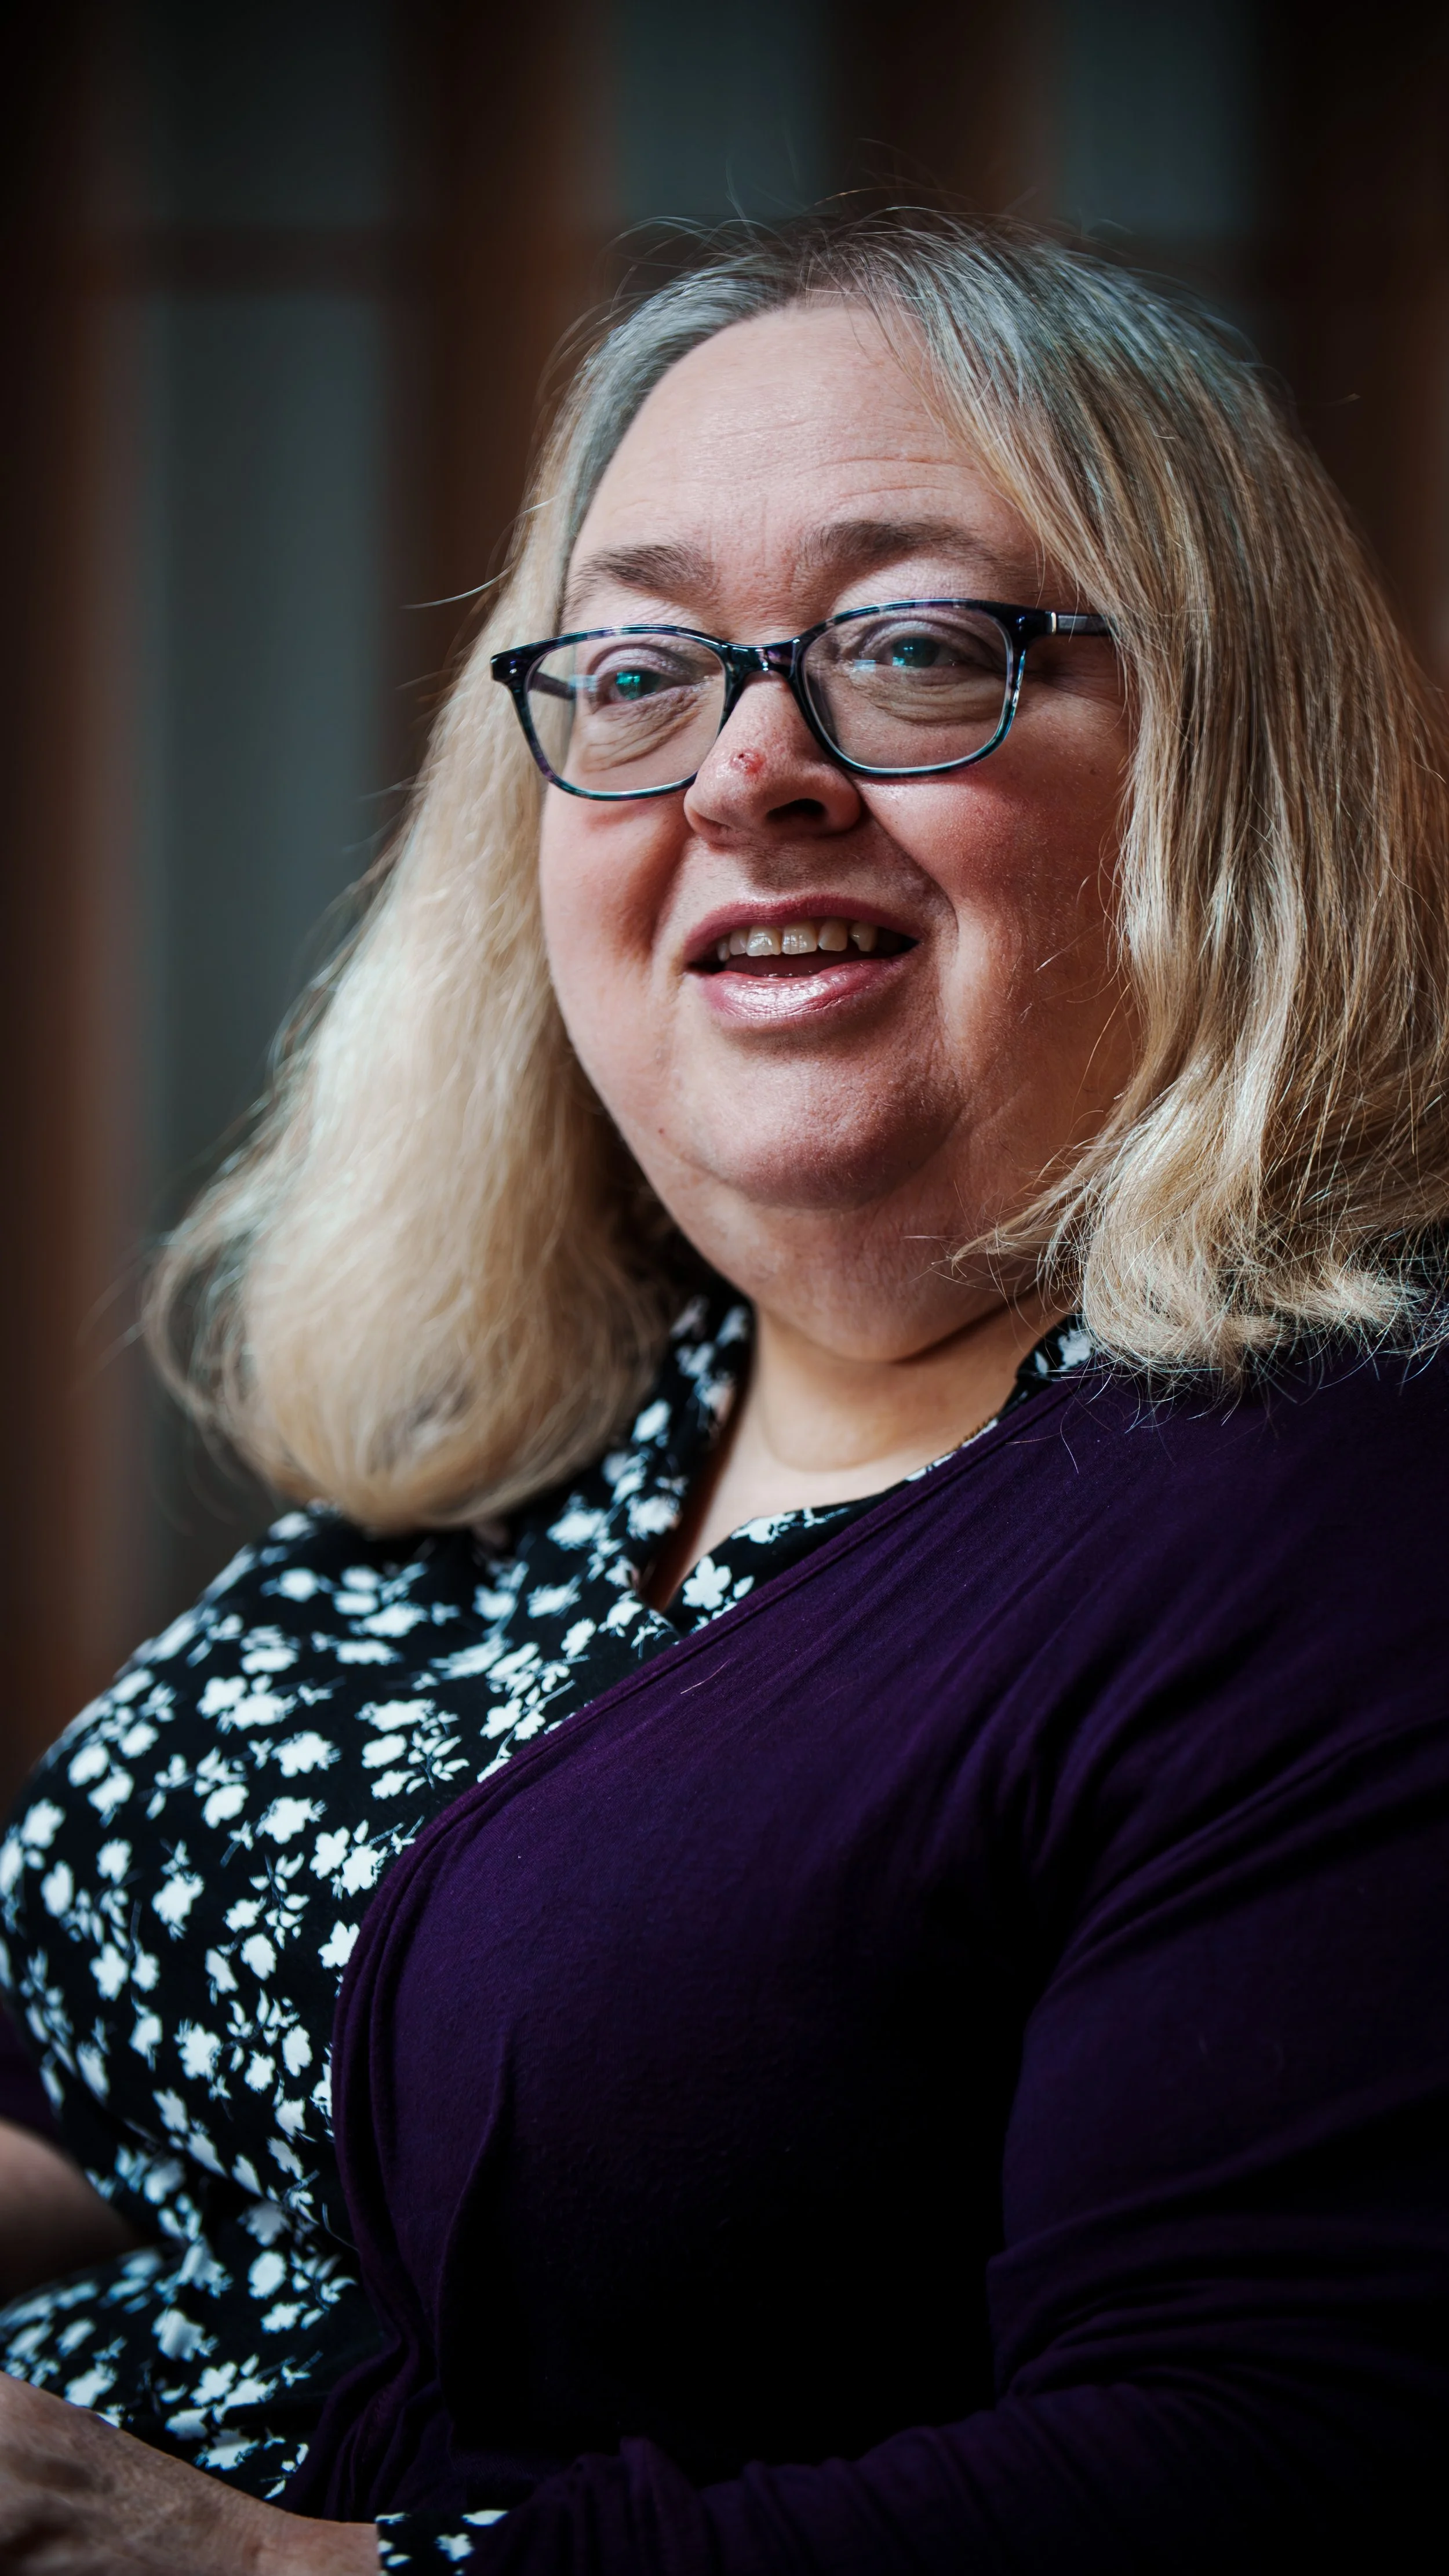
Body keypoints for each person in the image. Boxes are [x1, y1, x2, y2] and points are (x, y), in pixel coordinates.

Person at [0, 210, 1447, 2575]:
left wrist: (236, 2565)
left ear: (1222, 772)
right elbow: (88, 2066)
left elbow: (1263, 2466)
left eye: (911, 647)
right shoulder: (543, 1463)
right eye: (646, 669)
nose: (748, 767)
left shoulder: (1345, 1514)